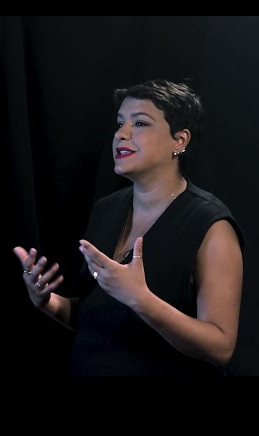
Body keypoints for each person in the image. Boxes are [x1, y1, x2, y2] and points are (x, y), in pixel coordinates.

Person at [13, 79, 244, 377]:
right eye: (121, 123)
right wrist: (47, 301)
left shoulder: (211, 225)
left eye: (140, 123)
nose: (121, 134)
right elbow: (96, 320)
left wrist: (140, 299)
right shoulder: (106, 210)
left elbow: (220, 348)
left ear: (180, 140)